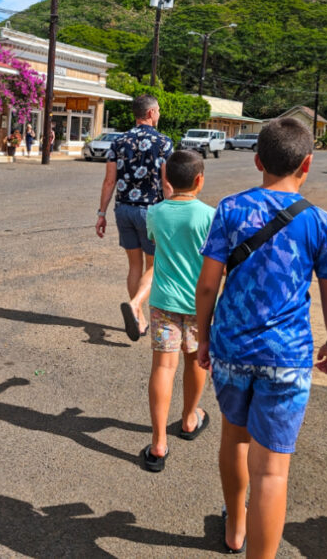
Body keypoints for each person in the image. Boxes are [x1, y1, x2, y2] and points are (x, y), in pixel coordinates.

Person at [194, 118, 327, 556]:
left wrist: (203, 337)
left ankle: (235, 528)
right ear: (308, 164)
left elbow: (207, 286)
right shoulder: (320, 223)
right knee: (272, 471)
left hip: (232, 348)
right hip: (288, 356)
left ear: (258, 160)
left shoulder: (230, 209)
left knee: (234, 437)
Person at [125, 150, 214, 472]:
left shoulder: (156, 213)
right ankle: (190, 419)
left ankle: (159, 442)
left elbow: (160, 253)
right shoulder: (209, 216)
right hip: (198, 304)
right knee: (196, 359)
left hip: (163, 303)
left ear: (167, 180)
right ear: (199, 180)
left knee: (163, 368)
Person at [95, 94, 173, 341]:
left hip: (124, 209)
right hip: (151, 211)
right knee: (155, 265)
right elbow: (167, 183)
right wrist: (173, 211)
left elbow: (109, 181)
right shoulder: (164, 142)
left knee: (134, 266)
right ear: (150, 113)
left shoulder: (118, 142)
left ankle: (139, 320)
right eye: (158, 110)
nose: (159, 114)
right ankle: (136, 305)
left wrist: (101, 213)